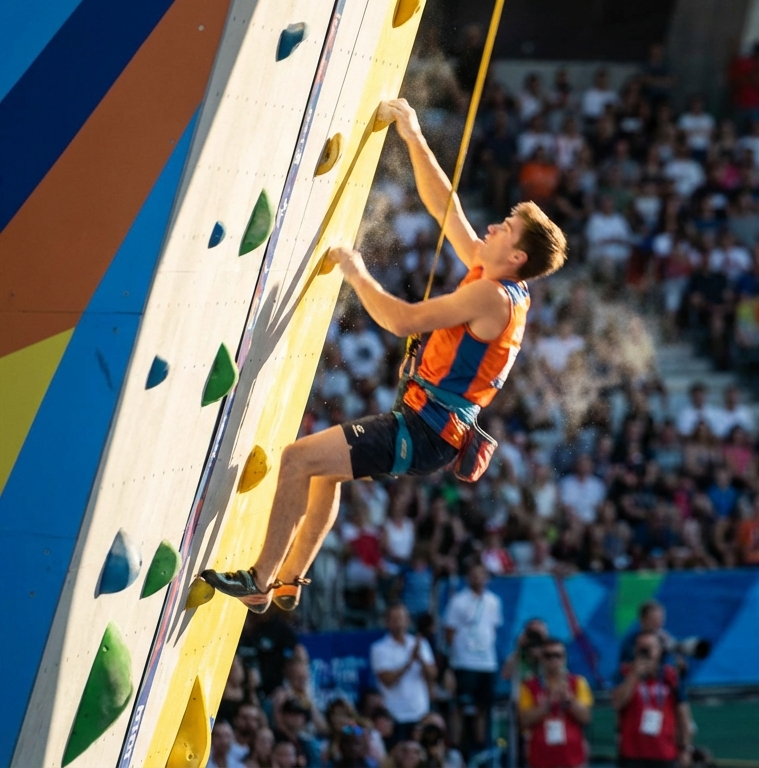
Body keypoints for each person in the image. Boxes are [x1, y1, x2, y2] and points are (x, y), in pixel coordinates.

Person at [200, 97, 568, 612]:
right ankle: (286, 581)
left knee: (297, 460)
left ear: (517, 256)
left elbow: (401, 320)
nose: (491, 229)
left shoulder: (490, 295)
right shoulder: (505, 282)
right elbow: (448, 209)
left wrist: (354, 269)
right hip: (432, 426)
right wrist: (413, 135)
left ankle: (260, 581)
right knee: (324, 472)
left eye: (504, 228)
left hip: (425, 430)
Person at [442, 562, 503, 757]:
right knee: (460, 706)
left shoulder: (493, 601)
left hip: (487, 662)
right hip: (464, 661)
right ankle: (457, 747)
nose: (477, 579)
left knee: (483, 707)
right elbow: (449, 633)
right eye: (473, 574)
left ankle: (481, 746)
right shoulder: (458, 601)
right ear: (468, 577)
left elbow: (492, 628)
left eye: (481, 574)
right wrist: (454, 660)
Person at [613, 632, 693, 767]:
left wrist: (685, 747)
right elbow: (617, 702)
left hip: (665, 754)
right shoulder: (625, 673)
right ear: (635, 650)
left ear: (660, 650)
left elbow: (683, 712)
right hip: (632, 755)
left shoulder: (670, 675)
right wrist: (634, 676)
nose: (646, 653)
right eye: (642, 649)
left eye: (650, 648)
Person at [518, 639, 594, 768]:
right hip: (540, 759)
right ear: (541, 659)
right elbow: (524, 720)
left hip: (572, 759)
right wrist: (547, 705)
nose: (553, 660)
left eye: (557, 655)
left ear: (564, 658)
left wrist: (569, 700)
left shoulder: (578, 682)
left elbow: (586, 717)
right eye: (548, 655)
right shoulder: (528, 686)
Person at [370, 604, 438, 745]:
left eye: (402, 618)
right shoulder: (379, 648)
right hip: (395, 715)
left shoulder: (420, 644)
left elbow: (433, 674)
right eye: (394, 619)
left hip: (420, 713)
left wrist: (420, 659)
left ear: (408, 621)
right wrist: (409, 662)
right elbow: (387, 680)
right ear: (387, 622)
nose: (399, 623)